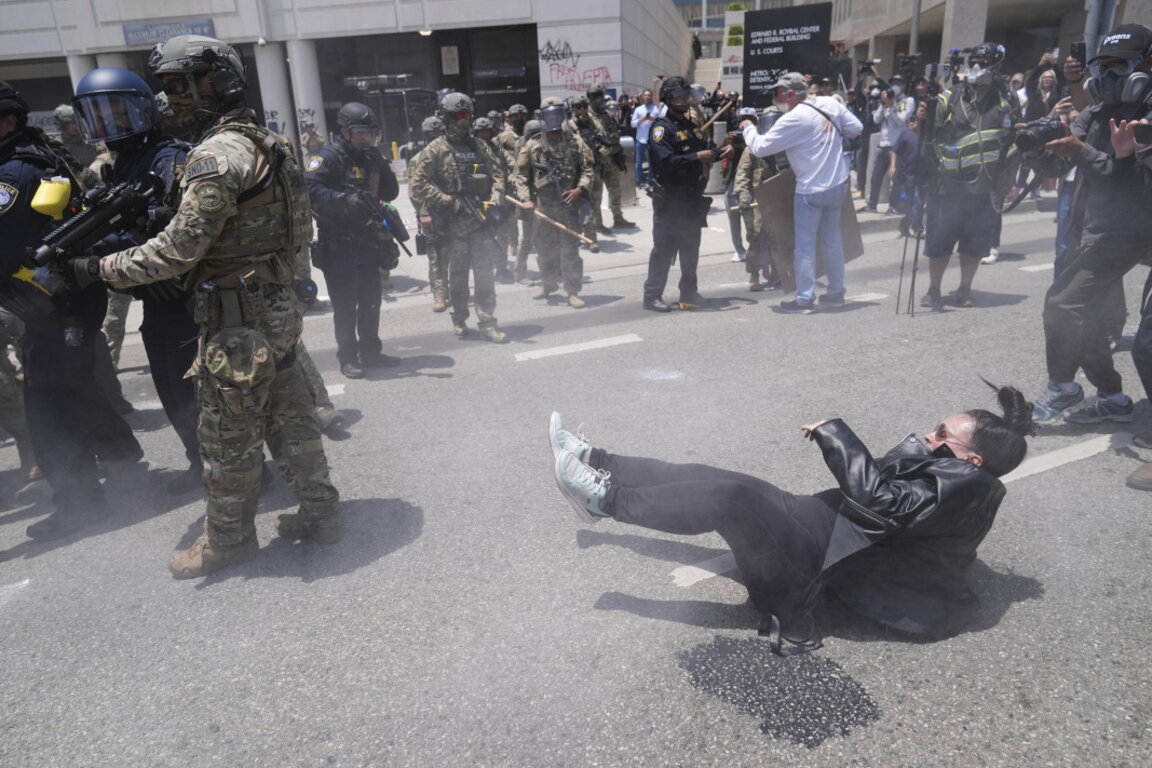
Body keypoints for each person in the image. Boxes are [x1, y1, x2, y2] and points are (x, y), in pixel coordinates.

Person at [76, 34, 342, 577]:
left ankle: (228, 541)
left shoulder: (216, 154)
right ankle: (322, 513)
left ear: (218, 81)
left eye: (182, 84)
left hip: (237, 319)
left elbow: (179, 249)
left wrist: (97, 267)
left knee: (226, 439)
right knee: (292, 424)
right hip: (274, 305)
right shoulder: (266, 141)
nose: (172, 98)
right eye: (167, 88)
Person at [548, 382, 1036, 654]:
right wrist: (914, 451)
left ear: (970, 460)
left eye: (941, 434)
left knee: (730, 496)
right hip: (823, 531)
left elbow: (879, 502)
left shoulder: (968, 485)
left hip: (820, 566)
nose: (929, 436)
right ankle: (598, 461)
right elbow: (890, 498)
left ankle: (602, 501)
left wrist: (835, 434)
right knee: (714, 475)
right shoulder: (957, 477)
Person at [0, 80, 143, 541]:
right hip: (57, 302)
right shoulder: (33, 158)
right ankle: (120, 453)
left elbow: (4, 248)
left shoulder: (15, 175)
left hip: (54, 304)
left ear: (6, 121)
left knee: (49, 402)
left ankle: (81, 503)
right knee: (73, 386)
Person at [71, 66, 204, 494]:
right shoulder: (119, 166)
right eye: (98, 114)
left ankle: (234, 470)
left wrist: (107, 244)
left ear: (143, 110)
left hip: (183, 297)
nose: (110, 123)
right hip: (153, 300)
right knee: (170, 391)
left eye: (118, 112)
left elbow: (174, 233)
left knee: (197, 395)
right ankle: (200, 465)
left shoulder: (169, 159)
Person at [1025, 25, 1152, 435]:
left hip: (1134, 231)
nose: (1110, 76)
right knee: (1090, 316)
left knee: (1061, 303)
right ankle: (1113, 397)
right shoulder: (1094, 114)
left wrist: (1086, 153)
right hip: (1097, 229)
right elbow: (1061, 164)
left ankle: (1062, 387)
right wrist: (1037, 147)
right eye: (1104, 68)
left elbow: (1134, 183)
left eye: (1120, 66)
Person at [742, 71, 862, 314]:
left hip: (811, 190)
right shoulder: (828, 104)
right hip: (838, 184)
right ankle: (836, 293)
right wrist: (833, 123)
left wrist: (748, 128)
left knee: (805, 246)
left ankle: (805, 299)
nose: (775, 96)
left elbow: (761, 147)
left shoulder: (794, 118)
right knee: (832, 241)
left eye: (777, 92)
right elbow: (856, 128)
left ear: (790, 93)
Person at [919, 43, 1022, 311]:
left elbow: (1015, 139)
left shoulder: (1007, 100)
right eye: (974, 61)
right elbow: (929, 133)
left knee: (975, 244)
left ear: (998, 66)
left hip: (984, 188)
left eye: (984, 62)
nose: (977, 67)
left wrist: (1005, 182)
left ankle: (965, 288)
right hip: (947, 187)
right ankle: (934, 289)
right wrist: (923, 115)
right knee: (939, 241)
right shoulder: (951, 97)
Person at [305, 101, 401, 379]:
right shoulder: (327, 157)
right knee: (346, 306)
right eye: (360, 132)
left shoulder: (371, 156)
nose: (365, 137)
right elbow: (310, 189)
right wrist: (344, 200)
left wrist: (382, 164)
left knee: (372, 300)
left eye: (369, 132)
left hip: (369, 241)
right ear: (345, 131)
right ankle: (347, 357)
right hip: (339, 244)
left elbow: (391, 192)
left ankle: (371, 352)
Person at [408, 91, 508, 342]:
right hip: (454, 227)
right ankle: (460, 318)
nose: (463, 121)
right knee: (458, 277)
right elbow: (417, 184)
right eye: (457, 116)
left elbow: (498, 176)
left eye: (466, 115)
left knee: (485, 274)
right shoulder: (436, 149)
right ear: (445, 117)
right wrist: (447, 201)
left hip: (480, 223)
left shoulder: (480, 146)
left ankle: (487, 322)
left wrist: (495, 197)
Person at [643, 76, 727, 312]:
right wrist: (697, 157)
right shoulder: (661, 128)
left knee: (691, 249)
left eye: (684, 95)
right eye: (677, 96)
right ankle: (651, 296)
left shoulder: (691, 127)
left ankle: (689, 293)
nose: (682, 100)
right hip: (671, 200)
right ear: (667, 98)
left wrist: (722, 151)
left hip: (692, 199)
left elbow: (704, 152)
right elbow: (665, 161)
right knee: (663, 250)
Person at [512, 97, 594, 309]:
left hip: (568, 205)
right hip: (543, 207)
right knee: (544, 249)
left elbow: (588, 170)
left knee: (569, 251)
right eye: (550, 115)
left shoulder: (576, 142)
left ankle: (572, 291)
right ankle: (548, 285)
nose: (554, 119)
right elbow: (521, 175)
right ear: (542, 118)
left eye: (558, 114)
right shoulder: (532, 144)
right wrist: (526, 199)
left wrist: (580, 189)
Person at [473, 116, 517, 281]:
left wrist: (512, 182)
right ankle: (484, 270)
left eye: (486, 131)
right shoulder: (470, 151)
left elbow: (514, 168)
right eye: (480, 132)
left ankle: (501, 268)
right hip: (478, 201)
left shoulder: (500, 151)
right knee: (483, 237)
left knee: (502, 235)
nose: (484, 135)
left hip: (500, 199)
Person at [860, 74, 912, 213]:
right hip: (882, 144)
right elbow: (876, 119)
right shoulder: (886, 100)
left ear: (904, 85)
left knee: (896, 180)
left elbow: (901, 120)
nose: (896, 86)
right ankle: (872, 204)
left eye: (899, 83)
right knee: (876, 177)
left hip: (897, 146)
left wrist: (892, 106)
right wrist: (884, 105)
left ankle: (893, 206)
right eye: (894, 83)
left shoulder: (908, 100)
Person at [587, 84, 634, 231]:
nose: (599, 100)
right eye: (596, 97)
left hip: (611, 159)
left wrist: (615, 148)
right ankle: (598, 224)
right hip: (597, 161)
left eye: (601, 96)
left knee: (615, 190)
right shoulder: (586, 117)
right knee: (597, 195)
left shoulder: (605, 114)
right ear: (590, 98)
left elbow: (614, 133)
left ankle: (618, 218)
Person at [630, 89, 659, 189]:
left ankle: (651, 180)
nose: (647, 97)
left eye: (649, 95)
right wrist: (642, 119)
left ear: (651, 97)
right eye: (645, 95)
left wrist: (652, 119)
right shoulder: (638, 109)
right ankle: (639, 181)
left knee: (652, 162)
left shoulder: (655, 109)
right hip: (640, 139)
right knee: (638, 162)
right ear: (642, 97)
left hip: (651, 140)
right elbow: (632, 124)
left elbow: (659, 123)